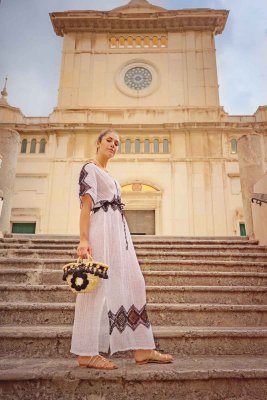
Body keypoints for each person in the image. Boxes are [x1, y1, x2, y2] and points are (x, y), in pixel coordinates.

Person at [71, 128, 174, 369]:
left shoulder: (112, 177)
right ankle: (86, 353)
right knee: (95, 288)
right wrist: (84, 240)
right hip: (101, 231)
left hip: (119, 234)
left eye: (117, 143)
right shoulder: (90, 169)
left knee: (135, 282)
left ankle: (143, 348)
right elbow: (86, 207)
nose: (113, 145)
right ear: (97, 142)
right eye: (109, 140)